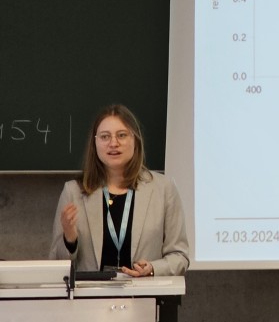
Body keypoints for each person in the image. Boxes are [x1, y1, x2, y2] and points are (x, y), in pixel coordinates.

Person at [49, 104, 189, 276]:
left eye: (121, 135)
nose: (113, 143)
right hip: (90, 293)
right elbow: (56, 265)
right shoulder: (73, 191)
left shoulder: (164, 189)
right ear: (95, 143)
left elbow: (179, 256)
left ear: (135, 140)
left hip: (145, 291)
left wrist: (153, 268)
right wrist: (69, 240)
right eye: (105, 137)